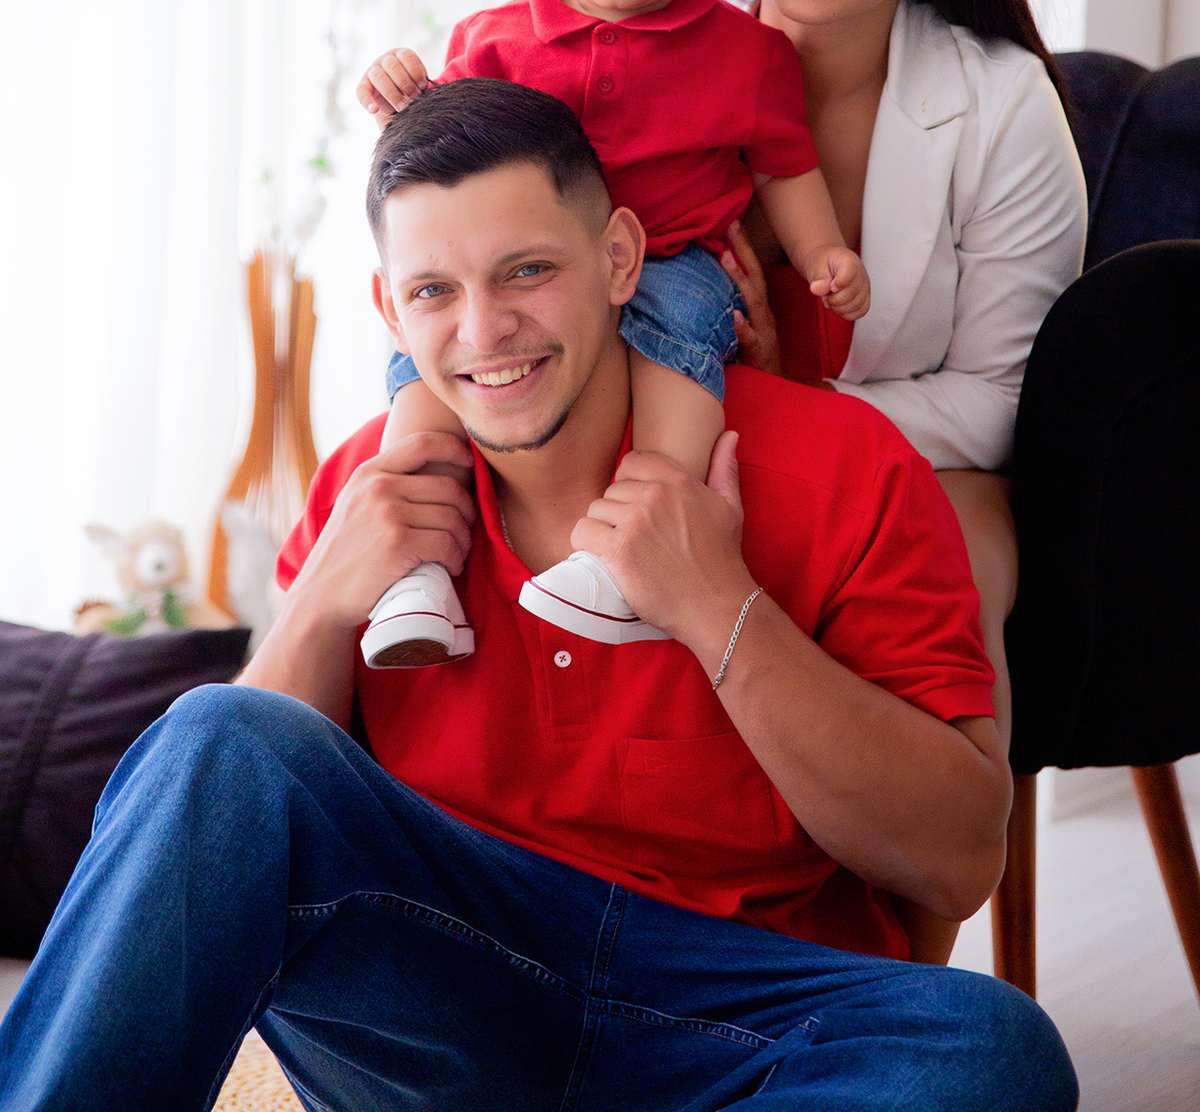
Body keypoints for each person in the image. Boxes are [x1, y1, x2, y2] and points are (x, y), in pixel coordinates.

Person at [0, 79, 1077, 1112]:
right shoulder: (368, 487)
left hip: (743, 1016)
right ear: (390, 306)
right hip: (452, 996)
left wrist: (719, 610)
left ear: (618, 258)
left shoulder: (845, 466)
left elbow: (956, 857)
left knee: (993, 1046)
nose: (483, 331)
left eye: (524, 272)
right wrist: (326, 601)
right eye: (434, 292)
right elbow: (232, 829)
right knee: (216, 731)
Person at [709, 0, 1088, 959]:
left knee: (948, 568)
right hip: (683, 447)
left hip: (928, 466)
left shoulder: (1000, 102)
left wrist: (795, 407)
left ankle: (899, 999)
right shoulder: (655, 48)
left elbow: (996, 399)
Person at [354, 0, 868, 669]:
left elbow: (786, 167)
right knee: (420, 378)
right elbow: (444, 154)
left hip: (670, 258)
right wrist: (403, 87)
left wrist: (823, 252)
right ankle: (415, 571)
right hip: (527, 275)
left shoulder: (746, 55)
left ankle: (634, 553)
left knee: (680, 356)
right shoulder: (493, 39)